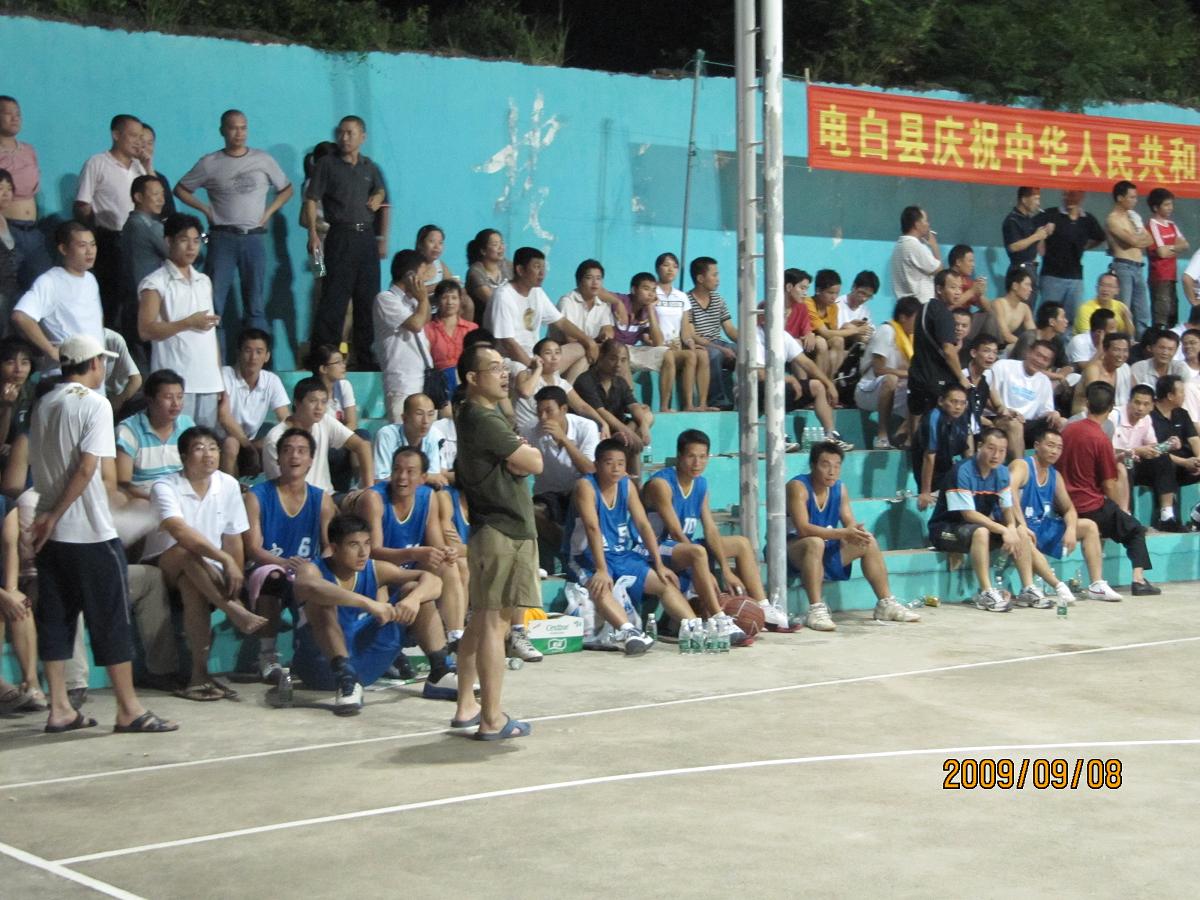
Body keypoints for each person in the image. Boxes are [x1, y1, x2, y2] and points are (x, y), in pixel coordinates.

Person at [29, 333, 176, 732]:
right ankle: (128, 709)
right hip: (88, 532)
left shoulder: (44, 403)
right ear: (94, 363)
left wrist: (49, 517)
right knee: (111, 620)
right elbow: (87, 468)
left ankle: (60, 707)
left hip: (49, 535)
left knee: (56, 619)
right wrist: (57, 514)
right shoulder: (95, 404)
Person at [451, 344, 540, 739]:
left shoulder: (480, 415)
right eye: (493, 368)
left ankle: (466, 705)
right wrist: (523, 454)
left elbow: (523, 459)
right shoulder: (482, 418)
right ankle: (491, 717)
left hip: (495, 529)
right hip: (503, 529)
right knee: (494, 623)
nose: (504, 374)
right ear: (472, 378)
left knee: (481, 620)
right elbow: (534, 462)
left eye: (504, 367)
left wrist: (519, 455)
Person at [141, 425, 264, 701]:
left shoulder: (228, 484)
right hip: (163, 565)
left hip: (203, 573)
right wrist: (223, 560)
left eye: (213, 448)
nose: (208, 454)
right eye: (199, 449)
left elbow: (233, 538)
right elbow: (180, 532)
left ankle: (199, 676)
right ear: (184, 456)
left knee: (193, 586)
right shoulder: (165, 486)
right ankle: (233, 611)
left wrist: (235, 575)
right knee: (186, 553)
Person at [287, 513, 442, 715]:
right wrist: (368, 604)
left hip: (367, 663)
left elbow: (433, 581)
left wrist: (414, 599)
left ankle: (440, 672)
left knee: (417, 590)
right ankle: (346, 679)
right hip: (321, 668)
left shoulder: (375, 568)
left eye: (367, 543)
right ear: (334, 548)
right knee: (321, 600)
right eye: (353, 545)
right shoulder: (312, 569)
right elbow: (308, 586)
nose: (363, 552)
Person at [643, 428, 788, 630]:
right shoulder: (661, 484)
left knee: (741, 543)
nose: (697, 463)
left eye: (703, 457)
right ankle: (719, 618)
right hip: (654, 548)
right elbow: (675, 532)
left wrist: (726, 570)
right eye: (691, 456)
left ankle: (763, 607)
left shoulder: (700, 484)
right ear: (679, 456)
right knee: (698, 552)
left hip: (682, 547)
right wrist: (699, 566)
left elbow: (710, 528)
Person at [352, 446, 467, 698]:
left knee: (450, 565)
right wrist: (415, 554)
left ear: (423, 478)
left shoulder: (428, 497)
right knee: (404, 586)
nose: (402, 477)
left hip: (406, 574)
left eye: (410, 472)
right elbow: (372, 553)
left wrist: (446, 552)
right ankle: (390, 652)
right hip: (376, 576)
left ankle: (456, 639)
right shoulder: (374, 499)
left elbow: (435, 545)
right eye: (397, 470)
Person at [175, 109, 293, 351]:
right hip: (222, 238)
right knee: (214, 303)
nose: (239, 133)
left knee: (255, 305)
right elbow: (181, 189)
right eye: (233, 128)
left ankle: (257, 359)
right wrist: (206, 210)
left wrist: (268, 213)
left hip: (254, 238)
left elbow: (287, 189)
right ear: (222, 131)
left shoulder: (263, 159)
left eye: (243, 127)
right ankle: (213, 358)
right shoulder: (210, 163)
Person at [564, 439, 682, 651]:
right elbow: (592, 527)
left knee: (664, 582)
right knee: (601, 585)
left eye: (621, 463)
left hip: (620, 554)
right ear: (596, 464)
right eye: (609, 463)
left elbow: (643, 525)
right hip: (585, 556)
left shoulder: (627, 485)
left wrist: (659, 564)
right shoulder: (585, 486)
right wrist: (601, 569)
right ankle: (629, 631)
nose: (616, 468)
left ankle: (694, 626)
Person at [788, 441, 920, 630]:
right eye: (825, 465)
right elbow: (802, 529)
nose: (832, 471)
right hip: (792, 549)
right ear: (812, 465)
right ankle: (815, 609)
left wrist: (856, 531)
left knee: (867, 541)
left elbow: (849, 520)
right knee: (815, 543)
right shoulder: (798, 487)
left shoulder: (839, 488)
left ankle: (886, 604)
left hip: (824, 547)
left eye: (837, 466)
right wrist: (843, 533)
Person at [242, 427, 336, 682]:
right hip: (266, 568)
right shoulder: (257, 495)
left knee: (321, 580)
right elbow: (253, 549)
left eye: (301, 451)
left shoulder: (322, 499)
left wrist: (317, 568)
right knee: (273, 576)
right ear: (278, 457)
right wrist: (284, 563)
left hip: (305, 570)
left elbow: (329, 546)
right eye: (288, 450)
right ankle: (267, 655)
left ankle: (314, 654)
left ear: (311, 460)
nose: (294, 456)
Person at [927, 428, 1044, 612]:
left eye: (1002, 451)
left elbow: (1007, 509)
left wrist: (1012, 527)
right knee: (981, 532)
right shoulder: (962, 470)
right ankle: (986, 593)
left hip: (975, 528)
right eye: (991, 448)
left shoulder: (1002, 473)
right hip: (945, 529)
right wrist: (1003, 530)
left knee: (1020, 531)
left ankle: (1027, 589)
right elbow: (968, 515)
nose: (996, 455)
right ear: (980, 446)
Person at [1058, 381, 1158, 595]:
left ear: (1087, 403)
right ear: (1111, 407)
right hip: (1090, 505)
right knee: (1135, 530)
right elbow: (1109, 483)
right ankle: (1139, 580)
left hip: (1064, 503)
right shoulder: (1100, 439)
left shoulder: (1068, 430)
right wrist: (1117, 508)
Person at [304, 115, 388, 367]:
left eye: (350, 133)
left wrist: (377, 196)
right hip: (340, 235)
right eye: (340, 132)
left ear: (363, 137)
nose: (344, 138)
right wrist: (312, 233)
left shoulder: (369, 167)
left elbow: (381, 190)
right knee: (334, 299)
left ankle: (365, 356)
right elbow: (311, 200)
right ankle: (324, 355)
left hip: (366, 237)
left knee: (367, 298)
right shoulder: (327, 165)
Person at [1008, 428, 1121, 602]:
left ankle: (1097, 585)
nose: (1055, 451)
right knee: (1024, 535)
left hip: (1041, 525)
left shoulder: (1055, 475)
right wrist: (1021, 524)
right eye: (1050, 445)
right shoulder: (1022, 465)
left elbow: (1069, 509)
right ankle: (1057, 586)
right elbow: (1010, 491)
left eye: (1059, 448)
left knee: (1089, 527)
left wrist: (1071, 529)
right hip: (1017, 525)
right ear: (1037, 446)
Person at [137, 213, 223, 427]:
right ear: (169, 241)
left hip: (209, 381)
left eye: (196, 241)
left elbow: (211, 335)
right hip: (175, 382)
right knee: (177, 441)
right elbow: (145, 330)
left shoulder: (204, 281)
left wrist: (219, 378)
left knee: (205, 444)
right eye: (184, 240)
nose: (192, 247)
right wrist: (188, 323)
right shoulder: (155, 282)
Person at [73, 115, 147, 326]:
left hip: (137, 241)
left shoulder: (139, 168)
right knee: (111, 299)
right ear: (116, 135)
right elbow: (82, 204)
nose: (138, 141)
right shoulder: (97, 163)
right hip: (110, 239)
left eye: (140, 137)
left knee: (136, 298)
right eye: (133, 136)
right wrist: (95, 230)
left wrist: (148, 164)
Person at [486, 246, 596, 377]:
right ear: (520, 270)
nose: (542, 273)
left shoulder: (537, 292)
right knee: (523, 371)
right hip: (510, 360)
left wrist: (588, 341)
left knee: (583, 348)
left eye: (543, 268)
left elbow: (561, 322)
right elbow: (508, 344)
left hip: (537, 356)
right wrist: (534, 369)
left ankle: (564, 387)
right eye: (537, 267)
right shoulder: (503, 296)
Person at [522, 385, 599, 573]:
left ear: (563, 409)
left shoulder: (586, 427)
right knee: (529, 511)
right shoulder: (529, 430)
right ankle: (567, 551)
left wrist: (564, 440)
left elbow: (590, 469)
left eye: (549, 411)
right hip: (547, 495)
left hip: (578, 491)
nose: (543, 417)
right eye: (539, 412)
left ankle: (583, 556)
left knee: (585, 491)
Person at [12, 221, 104, 375]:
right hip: (65, 374)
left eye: (93, 245)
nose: (90, 251)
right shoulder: (50, 281)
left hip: (93, 371)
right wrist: (51, 350)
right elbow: (21, 316)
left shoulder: (91, 280)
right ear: (63, 249)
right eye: (82, 245)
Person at [753, 307, 851, 449]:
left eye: (785, 316)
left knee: (817, 386)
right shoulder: (755, 336)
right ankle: (778, 437)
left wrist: (829, 384)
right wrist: (790, 379)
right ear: (763, 318)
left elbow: (807, 363)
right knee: (774, 386)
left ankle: (831, 436)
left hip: (777, 387)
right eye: (780, 315)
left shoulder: (784, 337)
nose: (784, 319)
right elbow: (760, 374)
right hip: (751, 393)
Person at [262, 377, 374, 493]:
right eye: (313, 401)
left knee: (369, 498)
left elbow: (363, 446)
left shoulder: (324, 421)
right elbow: (283, 487)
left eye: (324, 402)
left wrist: (368, 487)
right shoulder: (275, 438)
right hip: (295, 498)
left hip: (328, 495)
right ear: (297, 402)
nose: (319, 407)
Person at [216, 328, 290, 476]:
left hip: (249, 442)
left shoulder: (271, 380)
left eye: (259, 352)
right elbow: (224, 417)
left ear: (267, 356)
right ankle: (231, 489)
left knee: (278, 441)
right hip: (219, 441)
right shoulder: (224, 375)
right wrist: (248, 446)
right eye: (248, 351)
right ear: (238, 353)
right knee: (231, 443)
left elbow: (285, 419)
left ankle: (280, 488)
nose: (253, 357)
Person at [613, 272, 689, 413]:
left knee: (666, 354)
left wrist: (651, 310)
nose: (650, 294)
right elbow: (601, 292)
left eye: (653, 290)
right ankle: (632, 405)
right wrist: (618, 304)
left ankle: (664, 407)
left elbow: (658, 342)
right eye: (646, 289)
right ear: (634, 290)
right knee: (622, 354)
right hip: (612, 349)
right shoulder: (622, 300)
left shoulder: (648, 311)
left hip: (632, 350)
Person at [375, 248, 436, 422]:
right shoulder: (385, 299)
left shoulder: (413, 300)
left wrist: (421, 299)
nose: (425, 280)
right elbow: (416, 325)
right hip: (402, 382)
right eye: (422, 274)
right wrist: (423, 299)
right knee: (402, 433)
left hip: (423, 378)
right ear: (410, 276)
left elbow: (426, 319)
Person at [572, 339, 655, 466]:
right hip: (598, 430)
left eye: (623, 360)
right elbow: (601, 412)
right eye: (613, 359)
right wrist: (629, 433)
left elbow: (633, 405)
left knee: (646, 416)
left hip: (617, 430)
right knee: (631, 437)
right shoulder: (585, 380)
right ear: (601, 357)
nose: (618, 364)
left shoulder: (620, 382)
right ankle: (622, 448)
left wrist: (643, 426)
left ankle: (624, 450)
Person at [116, 369, 193, 502]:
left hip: (182, 495)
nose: (176, 404)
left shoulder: (187, 425)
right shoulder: (128, 430)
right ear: (150, 400)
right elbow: (123, 484)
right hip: (146, 498)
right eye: (168, 397)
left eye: (180, 397)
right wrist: (160, 500)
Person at [0, 96, 53, 290]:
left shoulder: (28, 150)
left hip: (32, 229)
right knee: (8, 288)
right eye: (8, 113)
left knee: (42, 285)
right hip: (7, 228)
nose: (15, 118)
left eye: (18, 114)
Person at [907, 270, 972, 426]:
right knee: (937, 426)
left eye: (960, 288)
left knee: (917, 423)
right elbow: (948, 350)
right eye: (953, 287)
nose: (958, 292)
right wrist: (961, 378)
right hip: (935, 381)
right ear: (939, 289)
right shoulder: (944, 314)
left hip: (917, 375)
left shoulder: (924, 309)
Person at [855, 295, 919, 449]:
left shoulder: (911, 337)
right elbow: (879, 370)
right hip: (868, 389)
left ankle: (906, 434)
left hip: (895, 389)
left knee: (928, 388)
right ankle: (882, 436)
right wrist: (911, 374)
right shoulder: (887, 330)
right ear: (903, 317)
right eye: (915, 319)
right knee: (891, 379)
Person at [511, 337, 608, 436]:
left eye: (557, 353)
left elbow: (582, 407)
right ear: (538, 357)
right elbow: (525, 392)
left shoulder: (561, 383)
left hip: (547, 432)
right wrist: (538, 368)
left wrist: (603, 423)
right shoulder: (525, 374)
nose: (554, 357)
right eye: (548, 353)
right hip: (525, 432)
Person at [986, 341, 1066, 456]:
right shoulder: (1004, 366)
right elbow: (986, 394)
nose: (1039, 361)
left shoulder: (1044, 381)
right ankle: (1020, 464)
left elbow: (1043, 413)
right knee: (1015, 424)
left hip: (1028, 424)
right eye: (1038, 355)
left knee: (1062, 422)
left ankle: (1046, 463)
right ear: (1028, 352)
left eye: (1045, 359)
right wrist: (1004, 410)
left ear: (1049, 364)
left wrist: (1053, 413)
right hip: (1001, 417)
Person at [1039, 190, 1105, 323]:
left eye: (1073, 194)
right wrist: (1040, 244)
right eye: (1066, 194)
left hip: (1075, 278)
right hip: (1052, 276)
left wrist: (1085, 247)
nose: (1068, 198)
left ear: (1081, 196)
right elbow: (1032, 230)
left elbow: (1100, 237)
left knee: (1073, 320)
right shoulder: (1050, 214)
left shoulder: (1087, 219)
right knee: (1049, 318)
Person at [117, 174, 166, 350]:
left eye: (163, 194)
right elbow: (178, 255)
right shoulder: (148, 227)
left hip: (131, 302)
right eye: (155, 194)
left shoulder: (129, 224)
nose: (161, 200)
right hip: (149, 304)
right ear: (138, 197)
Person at [655, 252, 711, 405]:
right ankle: (685, 404)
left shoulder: (681, 297)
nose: (670, 269)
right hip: (659, 345)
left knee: (702, 354)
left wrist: (690, 342)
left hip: (677, 345)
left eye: (674, 266)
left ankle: (702, 404)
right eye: (666, 265)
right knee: (689, 356)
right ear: (658, 269)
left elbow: (685, 329)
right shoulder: (652, 293)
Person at [554, 258, 623, 380]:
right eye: (589, 278)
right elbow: (570, 339)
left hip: (589, 350)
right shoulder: (567, 301)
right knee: (584, 352)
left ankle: (626, 393)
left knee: (619, 354)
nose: (595, 282)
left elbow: (608, 330)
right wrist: (591, 343)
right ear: (579, 281)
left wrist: (605, 335)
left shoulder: (602, 304)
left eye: (598, 278)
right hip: (564, 350)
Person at [1149, 374, 1200, 530]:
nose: (1184, 395)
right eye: (1181, 392)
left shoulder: (1182, 413)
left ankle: (1198, 513)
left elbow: (1194, 439)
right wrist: (1185, 463)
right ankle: (1167, 517)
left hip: (1187, 465)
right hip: (1159, 466)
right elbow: (1155, 449)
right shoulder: (1150, 416)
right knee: (1164, 460)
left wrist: (1198, 459)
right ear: (1170, 395)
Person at [687, 256, 739, 409]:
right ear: (700, 278)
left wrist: (748, 342)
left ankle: (750, 398)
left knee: (747, 353)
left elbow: (729, 329)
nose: (718, 279)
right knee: (713, 354)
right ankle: (717, 400)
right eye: (714, 275)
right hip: (701, 345)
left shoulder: (718, 300)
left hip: (720, 342)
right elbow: (692, 334)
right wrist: (720, 348)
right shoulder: (687, 301)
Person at [912, 384, 971, 511]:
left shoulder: (962, 418)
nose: (958, 407)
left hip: (947, 469)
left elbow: (965, 449)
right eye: (953, 402)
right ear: (941, 401)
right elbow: (929, 456)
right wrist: (925, 492)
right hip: (931, 473)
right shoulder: (933, 418)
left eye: (962, 403)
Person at [1105, 180, 1154, 336]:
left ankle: (1142, 342)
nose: (1135, 201)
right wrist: (1137, 239)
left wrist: (1137, 239)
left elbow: (1149, 240)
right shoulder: (1113, 219)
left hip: (1138, 267)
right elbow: (1133, 241)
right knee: (1123, 309)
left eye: (1136, 197)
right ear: (1120, 198)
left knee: (1142, 311)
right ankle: (1121, 340)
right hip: (1123, 266)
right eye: (1132, 197)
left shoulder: (1133, 217)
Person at [806, 268, 871, 377]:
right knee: (821, 342)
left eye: (837, 293)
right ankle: (820, 381)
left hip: (823, 339)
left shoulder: (833, 307)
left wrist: (851, 326)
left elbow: (833, 333)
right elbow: (825, 333)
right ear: (818, 290)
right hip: (808, 341)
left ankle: (833, 379)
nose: (834, 297)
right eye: (830, 293)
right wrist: (856, 330)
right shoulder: (808, 303)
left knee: (838, 340)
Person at [1009, 302, 1075, 407]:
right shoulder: (1029, 337)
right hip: (1019, 379)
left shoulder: (1057, 340)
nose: (1066, 321)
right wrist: (1057, 376)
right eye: (1063, 317)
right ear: (1052, 322)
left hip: (1043, 378)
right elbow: (1026, 368)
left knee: (1074, 377)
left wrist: (1062, 375)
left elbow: (1068, 365)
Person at [372, 392, 449, 483]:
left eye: (430, 414)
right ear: (404, 418)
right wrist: (425, 478)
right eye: (419, 414)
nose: (426, 421)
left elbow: (434, 476)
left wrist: (428, 478)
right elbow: (380, 480)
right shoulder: (387, 435)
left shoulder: (432, 435)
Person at [424, 279, 477, 398]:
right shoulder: (427, 329)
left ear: (460, 300)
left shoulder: (471, 328)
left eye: (454, 298)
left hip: (467, 381)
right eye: (444, 298)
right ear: (437, 301)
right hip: (439, 383)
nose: (450, 302)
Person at [1146, 188, 1189, 328]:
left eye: (1171, 204)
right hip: (1159, 276)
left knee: (1172, 314)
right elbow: (1162, 253)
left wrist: (1169, 248)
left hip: (1172, 276)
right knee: (1161, 317)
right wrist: (1175, 248)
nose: (1170, 208)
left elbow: (1185, 245)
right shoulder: (1152, 225)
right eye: (1166, 204)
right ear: (1155, 207)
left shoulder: (1172, 225)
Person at [784, 267, 831, 376]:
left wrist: (809, 334)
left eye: (807, 289)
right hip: (778, 349)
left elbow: (806, 330)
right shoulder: (767, 306)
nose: (805, 293)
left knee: (820, 342)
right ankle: (803, 382)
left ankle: (819, 381)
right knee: (796, 343)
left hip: (796, 347)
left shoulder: (802, 307)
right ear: (789, 287)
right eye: (802, 288)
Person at [889, 205, 942, 301]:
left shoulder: (899, 245)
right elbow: (939, 270)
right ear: (917, 225)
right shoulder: (914, 246)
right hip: (920, 304)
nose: (928, 224)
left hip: (904, 303)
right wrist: (934, 245)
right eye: (926, 221)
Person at [1073, 331, 1132, 416]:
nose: (1121, 355)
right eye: (1116, 350)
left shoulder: (1125, 369)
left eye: (1125, 350)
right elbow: (1095, 400)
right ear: (1105, 350)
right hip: (1086, 414)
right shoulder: (1093, 369)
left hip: (1114, 414)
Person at [1001, 186, 1054, 276]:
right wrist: (1036, 236)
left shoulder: (1029, 220)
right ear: (1024, 199)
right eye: (1036, 199)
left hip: (1031, 269)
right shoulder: (1012, 220)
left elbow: (1040, 251)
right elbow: (1013, 246)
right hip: (1019, 270)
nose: (1038, 203)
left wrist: (1043, 234)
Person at [463, 228, 511, 324]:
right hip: (484, 324)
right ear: (483, 251)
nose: (501, 247)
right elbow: (493, 301)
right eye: (495, 244)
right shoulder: (475, 271)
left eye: (502, 243)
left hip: (507, 318)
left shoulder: (507, 265)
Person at [989, 266, 1036, 350]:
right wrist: (1025, 345)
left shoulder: (1025, 308)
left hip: (1001, 347)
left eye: (1031, 286)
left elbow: (1033, 334)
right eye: (1027, 285)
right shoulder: (998, 304)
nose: (1031, 289)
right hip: (985, 345)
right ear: (1015, 286)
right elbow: (1005, 335)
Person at [1073, 271, 1134, 336]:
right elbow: (1089, 338)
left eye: (1110, 286)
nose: (1105, 289)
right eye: (1102, 285)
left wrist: (1127, 319)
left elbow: (1129, 335)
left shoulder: (1121, 307)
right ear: (1096, 288)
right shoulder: (1085, 309)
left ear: (1117, 291)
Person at [415, 224, 457, 291]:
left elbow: (452, 286)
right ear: (420, 244)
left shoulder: (440, 265)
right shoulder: (411, 265)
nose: (437, 247)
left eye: (440, 243)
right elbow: (413, 292)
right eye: (432, 241)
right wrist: (441, 285)